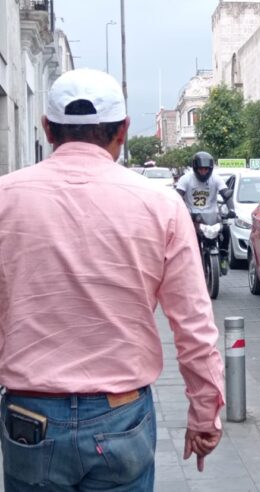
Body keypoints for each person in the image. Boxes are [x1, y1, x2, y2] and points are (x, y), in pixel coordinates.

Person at [0, 68, 225, 490]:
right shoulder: (159, 205)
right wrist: (204, 412)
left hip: (29, 416)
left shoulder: (5, 199)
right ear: (123, 131)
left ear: (48, 130)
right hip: (121, 415)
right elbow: (193, 323)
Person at [175, 152, 237, 274]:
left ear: (210, 169)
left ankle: (223, 256)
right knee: (184, 238)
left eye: (206, 169)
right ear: (195, 168)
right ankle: (187, 264)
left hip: (212, 216)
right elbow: (177, 196)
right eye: (200, 169)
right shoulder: (186, 179)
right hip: (192, 217)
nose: (203, 172)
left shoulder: (216, 178)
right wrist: (179, 211)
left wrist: (231, 209)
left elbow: (225, 194)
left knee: (225, 228)